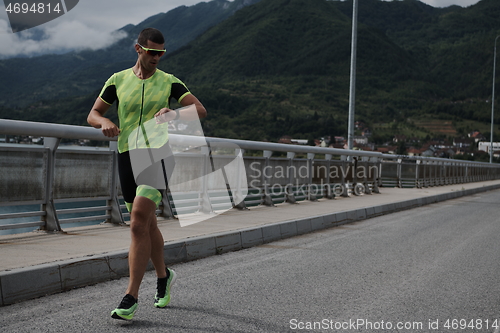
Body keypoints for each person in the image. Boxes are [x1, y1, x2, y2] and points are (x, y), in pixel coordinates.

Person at [87, 27, 207, 320]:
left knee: (138, 221)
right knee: (147, 226)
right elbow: (93, 114)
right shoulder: (117, 80)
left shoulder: (169, 82)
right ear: (138, 49)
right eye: (152, 52)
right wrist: (103, 122)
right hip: (127, 155)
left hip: (158, 154)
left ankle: (131, 297)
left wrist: (174, 115)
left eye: (161, 53)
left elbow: (200, 110)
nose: (156, 58)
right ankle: (164, 277)